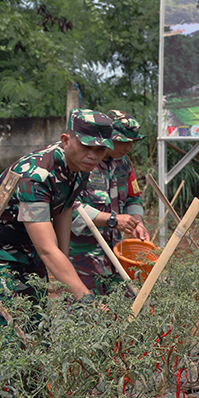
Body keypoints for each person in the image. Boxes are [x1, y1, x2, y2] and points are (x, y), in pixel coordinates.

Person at [0, 110, 114, 329]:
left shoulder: (80, 168)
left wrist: (63, 266)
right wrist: (85, 299)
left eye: (100, 149)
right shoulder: (36, 176)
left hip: (25, 246)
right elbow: (46, 250)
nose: (93, 155)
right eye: (86, 146)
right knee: (6, 333)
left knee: (38, 327)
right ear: (66, 141)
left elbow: (64, 210)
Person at [69, 110, 149, 294]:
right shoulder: (82, 163)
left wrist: (137, 222)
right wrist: (111, 219)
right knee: (84, 312)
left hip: (115, 253)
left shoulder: (124, 163)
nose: (128, 147)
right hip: (82, 256)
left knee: (120, 307)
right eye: (123, 141)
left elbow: (133, 196)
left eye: (132, 142)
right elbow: (69, 206)